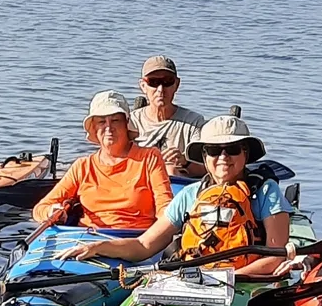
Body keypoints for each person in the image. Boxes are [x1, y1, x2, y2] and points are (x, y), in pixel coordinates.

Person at [90, 112, 292, 278]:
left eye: (232, 149)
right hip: (196, 280)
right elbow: (144, 245)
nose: (223, 157)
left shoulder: (266, 192)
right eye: (214, 150)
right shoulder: (191, 195)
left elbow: (275, 257)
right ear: (204, 156)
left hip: (244, 282)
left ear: (245, 153)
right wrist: (100, 247)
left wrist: (228, 279)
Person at [32, 92, 175, 230]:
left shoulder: (149, 158)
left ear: (126, 124)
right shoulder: (82, 167)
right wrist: (51, 211)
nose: (108, 128)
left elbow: (165, 208)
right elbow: (40, 209)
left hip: (135, 242)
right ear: (93, 128)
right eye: (101, 122)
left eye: (115, 120)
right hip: (87, 240)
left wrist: (160, 237)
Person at [130, 55, 205, 177]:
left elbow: (208, 167)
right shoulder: (131, 122)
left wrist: (184, 162)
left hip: (177, 186)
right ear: (143, 86)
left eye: (167, 82)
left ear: (176, 84)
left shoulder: (194, 122)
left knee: (170, 170)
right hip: (139, 182)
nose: (160, 89)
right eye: (153, 82)